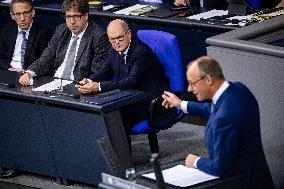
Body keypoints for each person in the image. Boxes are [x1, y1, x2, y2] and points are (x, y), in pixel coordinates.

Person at [162, 56, 274, 189]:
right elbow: (212, 109)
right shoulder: (239, 90)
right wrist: (181, 104)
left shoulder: (224, 119)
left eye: (193, 83)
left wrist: (196, 162)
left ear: (208, 79)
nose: (189, 89)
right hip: (259, 177)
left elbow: (221, 168)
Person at [76, 19, 171, 132]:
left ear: (129, 34)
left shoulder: (141, 52)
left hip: (148, 101)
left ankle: (120, 150)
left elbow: (130, 81)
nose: (116, 42)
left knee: (111, 119)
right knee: (98, 113)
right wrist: (89, 80)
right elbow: (105, 71)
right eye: (112, 39)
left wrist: (99, 86)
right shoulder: (113, 50)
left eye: (120, 37)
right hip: (128, 97)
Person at [19, 0, 110, 85]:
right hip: (53, 81)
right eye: (68, 17)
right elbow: (46, 59)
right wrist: (29, 73)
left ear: (86, 16)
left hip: (78, 84)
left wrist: (87, 82)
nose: (72, 22)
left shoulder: (98, 37)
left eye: (76, 16)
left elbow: (97, 72)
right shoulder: (62, 30)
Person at [0, 0, 52, 72]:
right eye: (18, 14)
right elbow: (1, 56)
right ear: (12, 16)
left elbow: (44, 61)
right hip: (9, 71)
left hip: (29, 74)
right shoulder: (7, 29)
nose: (22, 18)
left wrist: (28, 72)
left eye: (26, 13)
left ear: (33, 12)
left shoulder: (43, 33)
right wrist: (10, 69)